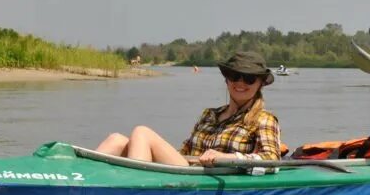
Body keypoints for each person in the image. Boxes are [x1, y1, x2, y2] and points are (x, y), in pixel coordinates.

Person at [94, 51, 281, 167]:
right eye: (235, 76)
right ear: (227, 79)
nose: (240, 83)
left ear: (260, 84)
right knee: (116, 139)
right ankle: (80, 184)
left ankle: (134, 190)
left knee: (142, 132)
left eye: (248, 79)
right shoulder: (209, 115)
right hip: (188, 169)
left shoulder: (264, 119)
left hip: (204, 180)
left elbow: (271, 159)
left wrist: (225, 157)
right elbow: (184, 152)